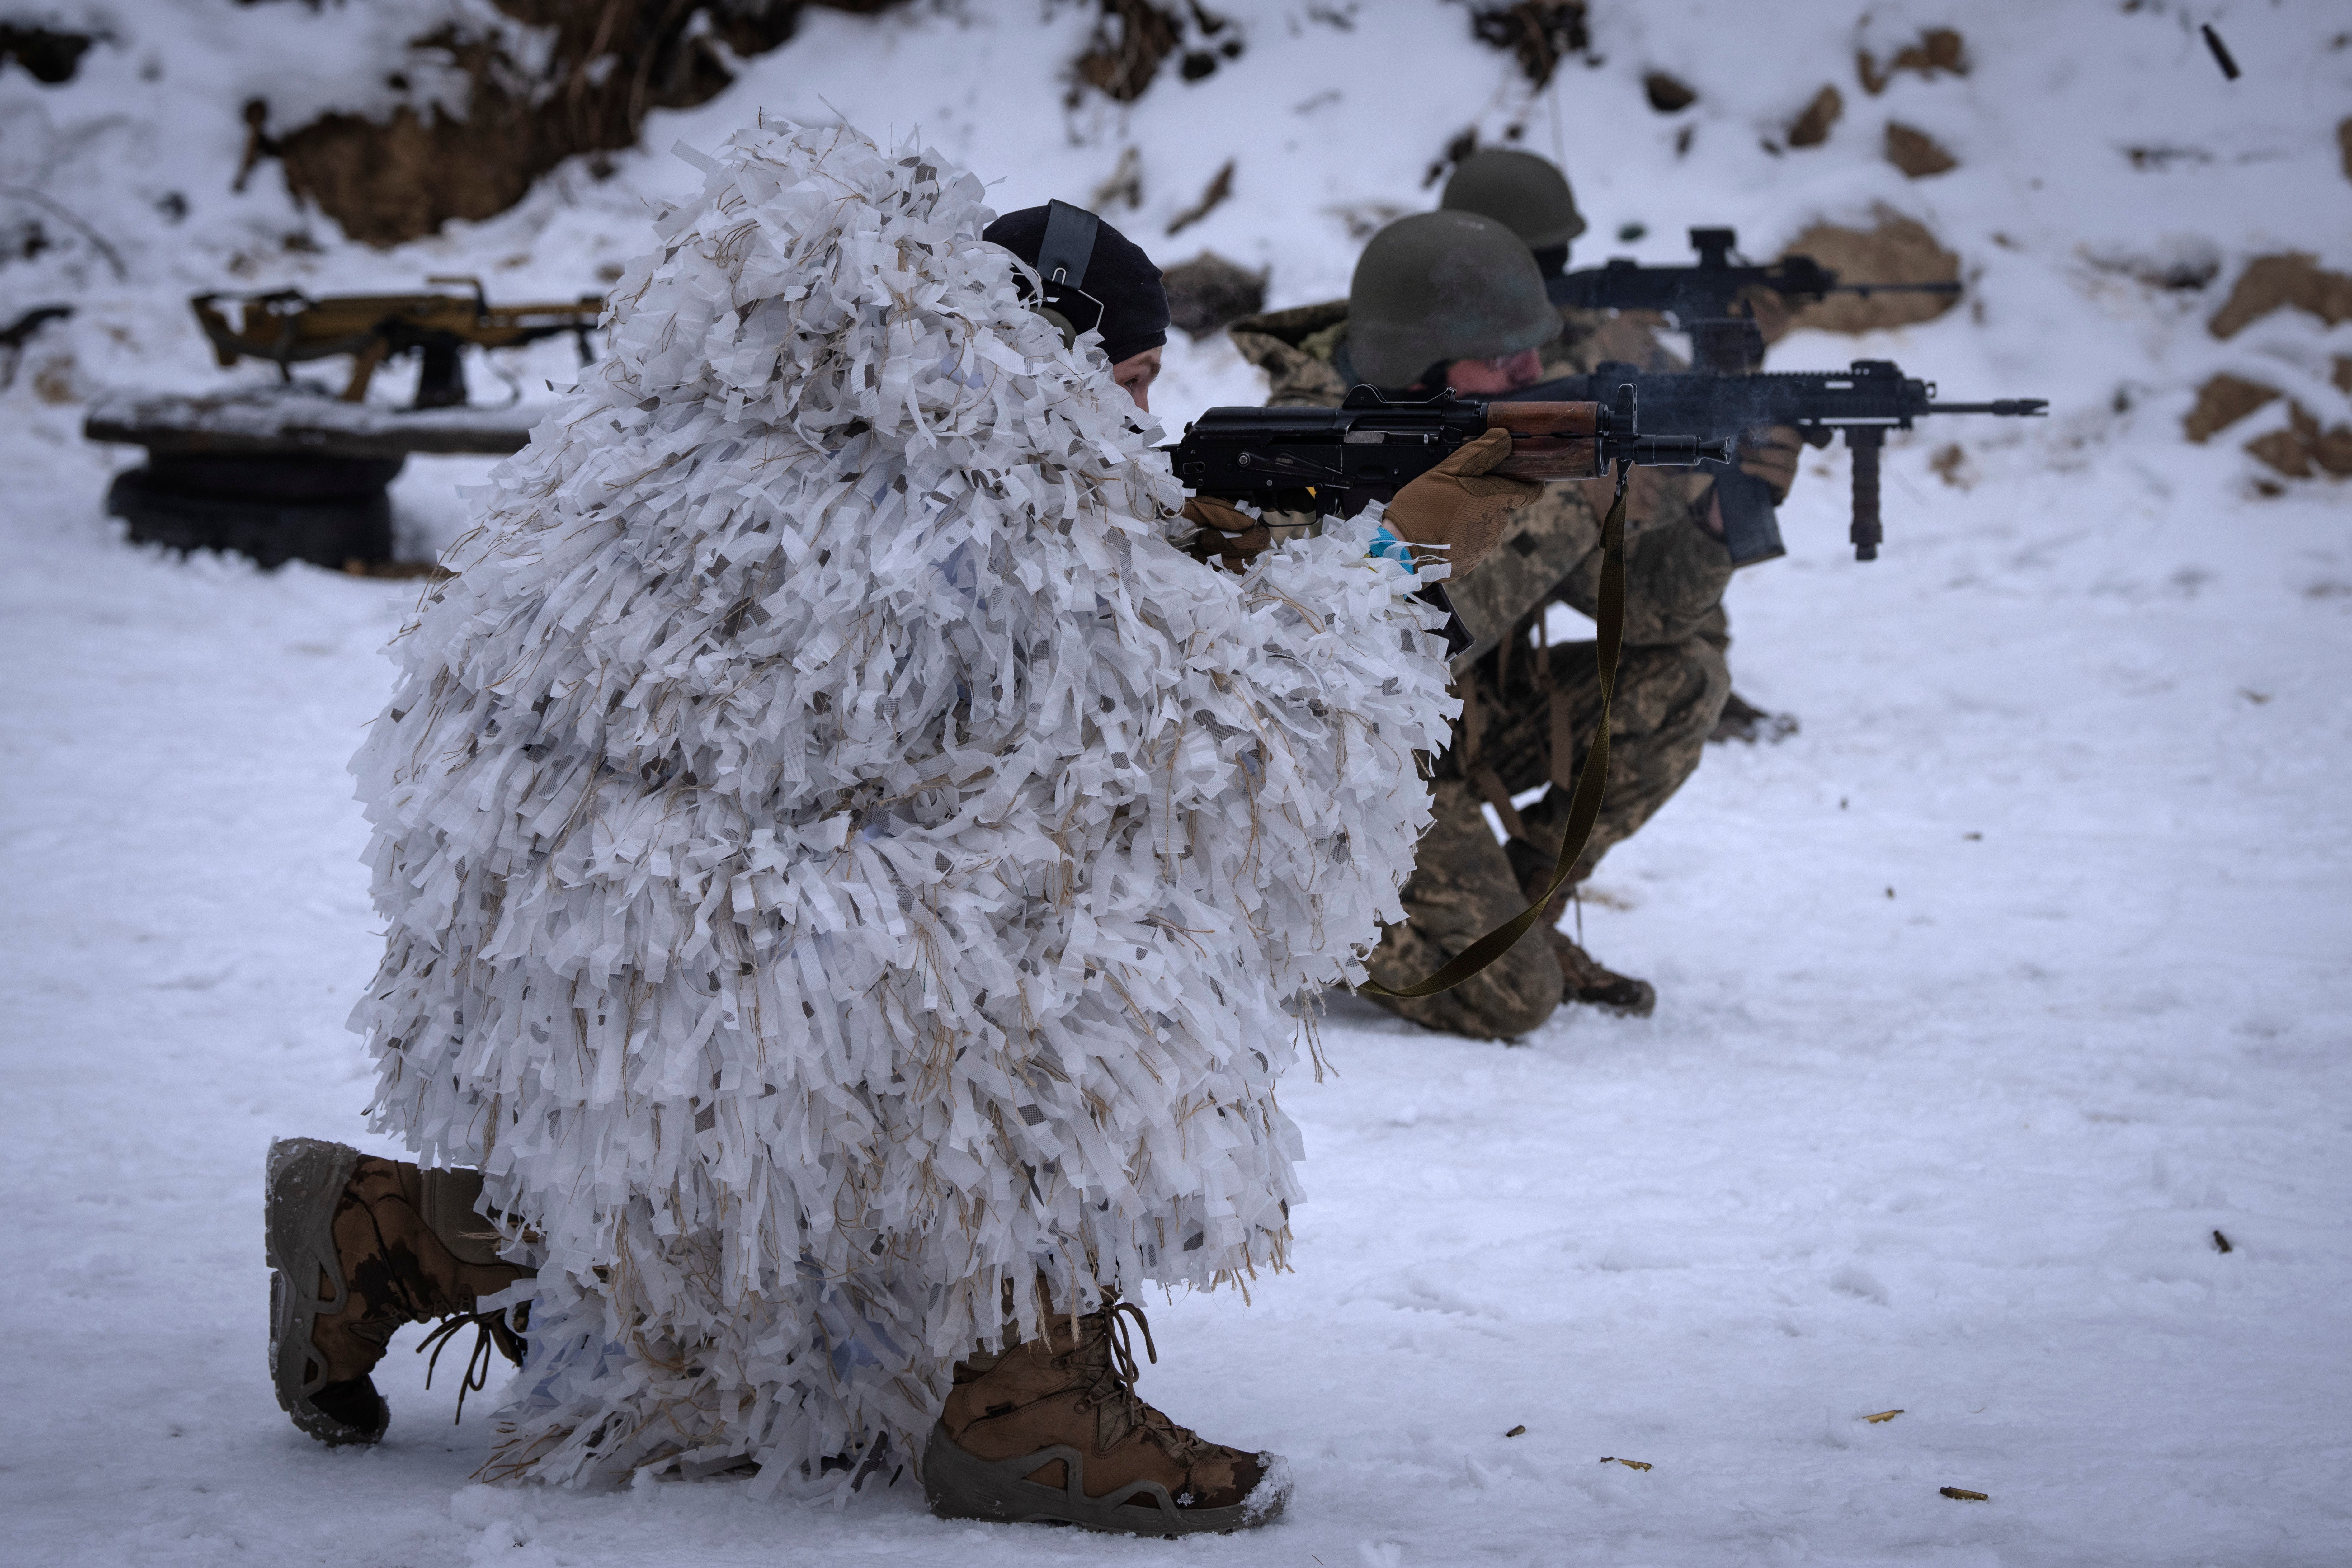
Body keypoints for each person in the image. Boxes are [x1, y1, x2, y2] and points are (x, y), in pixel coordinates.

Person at [264, 125, 1530, 1538]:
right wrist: (1382, 563)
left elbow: (955, 710)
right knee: (1107, 946)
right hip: (680, 935)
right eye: (1125, 383)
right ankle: (1025, 1406)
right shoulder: (981, 498)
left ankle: (391, 1230)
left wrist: (1179, 563)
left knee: (823, 1044)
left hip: (582, 953)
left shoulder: (785, 424)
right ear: (1040, 362)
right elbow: (1202, 777)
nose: (1132, 425)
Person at [1227, 171, 1798, 1041]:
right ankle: (1295, 929)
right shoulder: (1293, 450)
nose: (1535, 372)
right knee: (1509, 998)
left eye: (1534, 348)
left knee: (1682, 678)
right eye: (1504, 358)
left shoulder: (1499, 424)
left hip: (1456, 731)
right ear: (1416, 363)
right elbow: (1371, 652)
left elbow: (1645, 616)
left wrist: (1713, 527)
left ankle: (1523, 913)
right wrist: (1552, 502)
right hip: (1352, 779)